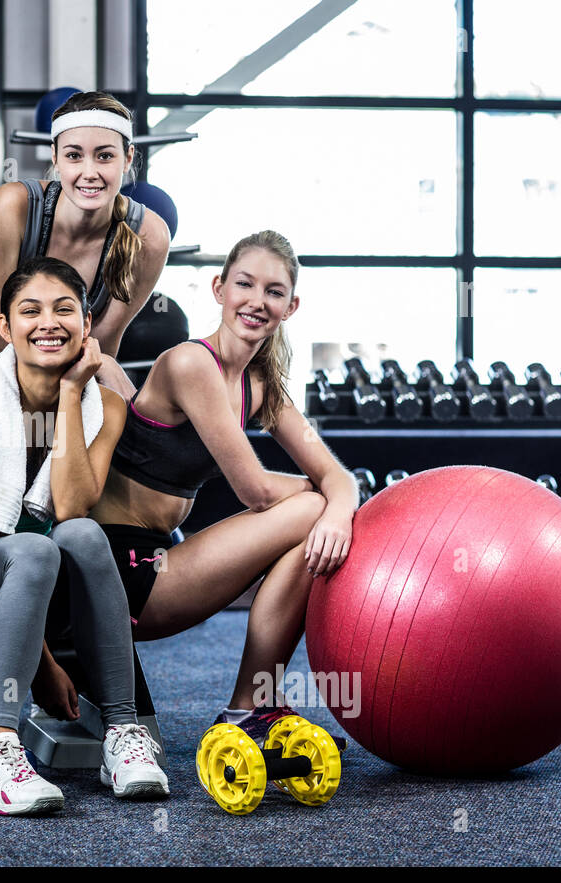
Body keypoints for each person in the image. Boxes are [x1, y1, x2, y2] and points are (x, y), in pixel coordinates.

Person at [84, 230, 358, 740]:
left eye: (273, 292)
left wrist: (337, 508)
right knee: (308, 511)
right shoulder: (190, 363)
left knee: (317, 513)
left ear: (291, 306)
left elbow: (337, 475)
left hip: (163, 559)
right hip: (121, 573)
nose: (257, 301)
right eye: (244, 284)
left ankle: (253, 704)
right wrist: (320, 497)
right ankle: (248, 706)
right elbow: (254, 491)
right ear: (219, 289)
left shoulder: (258, 384)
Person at [0, 257, 168, 815]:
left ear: (87, 324)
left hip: (40, 580)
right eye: (29, 311)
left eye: (64, 310)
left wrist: (69, 394)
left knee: (82, 533)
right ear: (5, 328)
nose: (48, 323)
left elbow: (73, 505)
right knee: (33, 547)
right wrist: (46, 665)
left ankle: (123, 735)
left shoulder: (101, 404)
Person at [0, 90, 170, 394]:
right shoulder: (13, 204)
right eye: (74, 156)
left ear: (127, 159)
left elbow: (98, 348)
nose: (89, 173)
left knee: (113, 379)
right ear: (55, 158)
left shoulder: (150, 236)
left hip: (53, 360)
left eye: (105, 156)